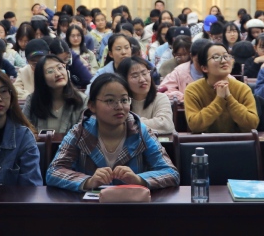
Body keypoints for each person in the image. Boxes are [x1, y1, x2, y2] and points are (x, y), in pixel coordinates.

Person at [46, 73, 180, 191]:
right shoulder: (79, 133)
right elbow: (54, 171)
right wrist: (88, 181)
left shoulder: (140, 132)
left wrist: (139, 179)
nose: (119, 106)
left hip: (132, 206)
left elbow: (171, 172)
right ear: (92, 105)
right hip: (91, 207)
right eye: (110, 100)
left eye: (124, 100)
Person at [184, 42, 259, 133]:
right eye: (216, 57)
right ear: (204, 68)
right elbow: (194, 126)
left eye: (226, 56)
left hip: (237, 140)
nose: (223, 61)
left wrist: (229, 97)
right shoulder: (193, 90)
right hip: (204, 141)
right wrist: (219, 99)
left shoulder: (242, 88)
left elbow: (252, 124)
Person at [22, 55, 87, 135]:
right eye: (50, 71)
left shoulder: (82, 100)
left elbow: (83, 134)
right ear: (41, 78)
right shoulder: (32, 100)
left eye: (60, 68)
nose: (58, 74)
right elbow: (23, 129)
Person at [117, 56, 175, 134]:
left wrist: (131, 122)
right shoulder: (119, 103)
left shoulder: (160, 98)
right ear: (124, 80)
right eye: (135, 76)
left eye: (144, 73)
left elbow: (166, 125)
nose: (142, 79)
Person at [159, 39, 210, 103]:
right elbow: (163, 90)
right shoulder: (180, 71)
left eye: (206, 60)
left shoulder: (218, 70)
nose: (202, 64)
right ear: (191, 56)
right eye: (198, 61)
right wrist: (183, 97)